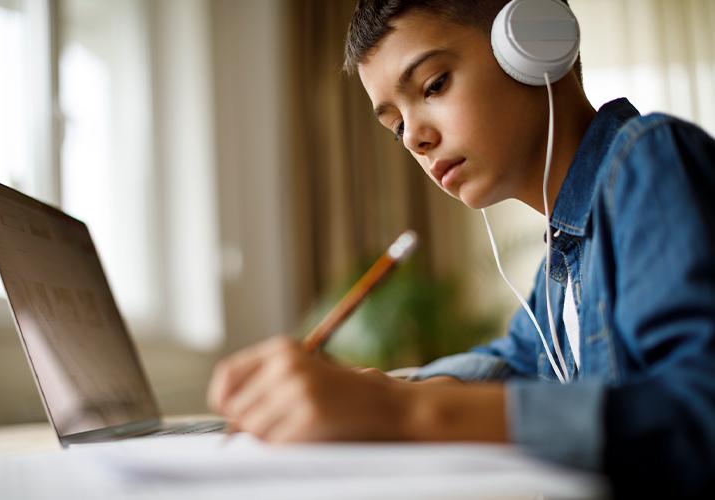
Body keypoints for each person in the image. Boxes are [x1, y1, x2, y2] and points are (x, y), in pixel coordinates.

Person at [207, 0, 715, 496]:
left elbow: (700, 413)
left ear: (535, 43)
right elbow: (510, 361)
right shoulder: (564, 260)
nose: (414, 141)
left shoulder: (648, 161)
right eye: (397, 126)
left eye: (433, 85)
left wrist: (402, 413)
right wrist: (382, 392)